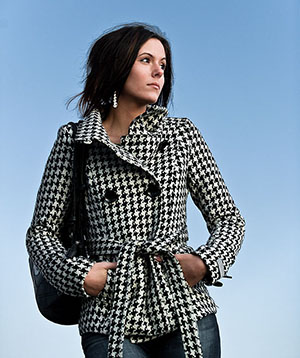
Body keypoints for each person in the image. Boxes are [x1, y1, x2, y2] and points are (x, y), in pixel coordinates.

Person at [26, 23, 245, 358]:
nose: (158, 70)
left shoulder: (181, 135)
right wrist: (79, 275)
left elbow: (229, 217)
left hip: (183, 308)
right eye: (146, 60)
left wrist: (204, 263)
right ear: (116, 64)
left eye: (163, 64)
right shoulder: (75, 142)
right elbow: (41, 231)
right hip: (109, 311)